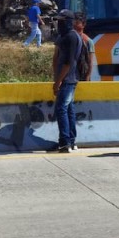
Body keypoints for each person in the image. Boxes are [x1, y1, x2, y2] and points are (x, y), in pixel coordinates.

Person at [51, 9, 83, 153]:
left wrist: (58, 81)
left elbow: (67, 63)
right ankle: (71, 140)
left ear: (69, 22)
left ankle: (65, 142)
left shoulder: (71, 37)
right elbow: (56, 56)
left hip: (67, 79)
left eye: (61, 21)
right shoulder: (64, 36)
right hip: (67, 78)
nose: (59, 23)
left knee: (61, 109)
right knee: (69, 109)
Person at [73, 12, 94, 81]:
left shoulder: (88, 41)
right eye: (73, 22)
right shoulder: (67, 39)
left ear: (83, 25)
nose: (74, 25)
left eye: (77, 23)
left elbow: (90, 62)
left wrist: (87, 77)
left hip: (82, 76)